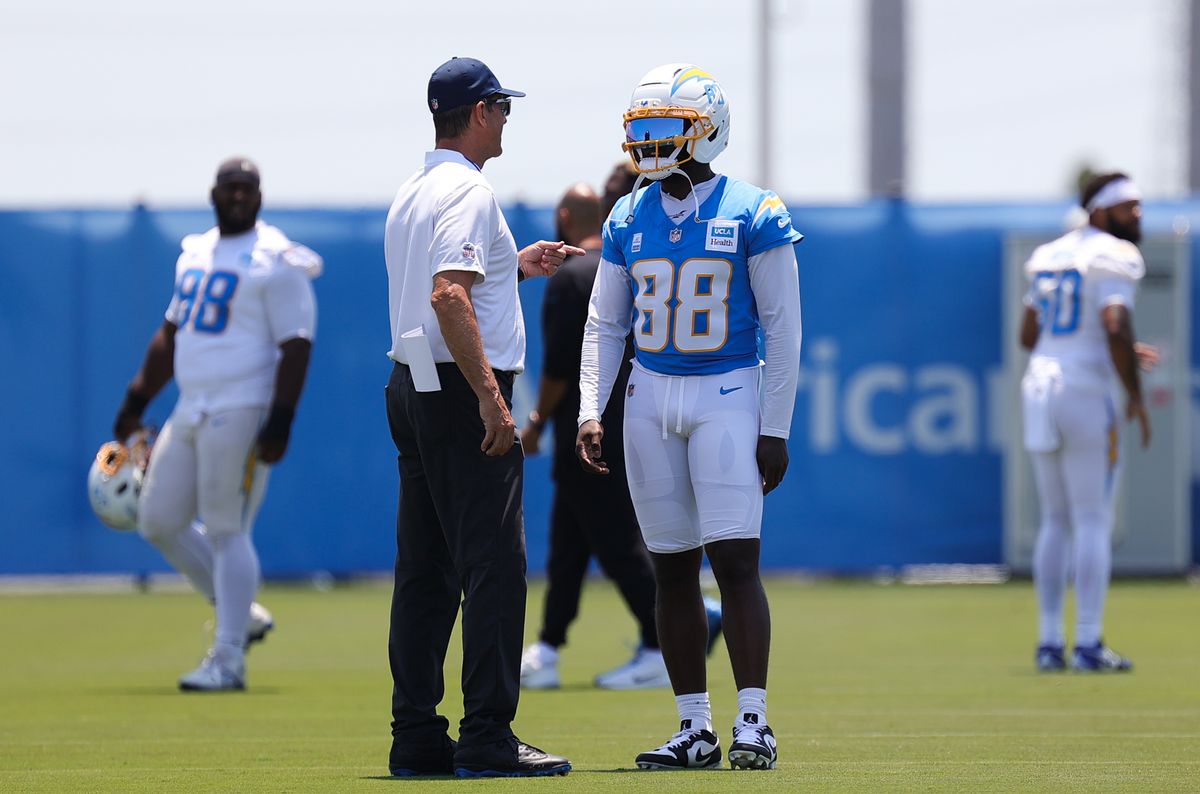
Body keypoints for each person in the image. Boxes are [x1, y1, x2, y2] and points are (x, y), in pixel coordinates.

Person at [577, 64, 803, 771]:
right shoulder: (625, 215)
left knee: (735, 560)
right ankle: (693, 727)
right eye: (639, 129)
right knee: (670, 569)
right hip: (650, 396)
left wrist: (777, 424)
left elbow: (783, 328)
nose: (646, 143)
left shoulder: (753, 210)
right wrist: (591, 408)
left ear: (706, 130)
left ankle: (755, 721)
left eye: (662, 128)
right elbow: (605, 326)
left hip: (728, 391)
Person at [382, 56, 579, 779]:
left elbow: (443, 286)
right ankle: (489, 736)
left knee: (425, 572)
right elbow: (448, 297)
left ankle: (415, 736)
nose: (506, 119)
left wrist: (513, 264)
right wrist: (494, 403)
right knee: (495, 564)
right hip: (462, 393)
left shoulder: (415, 187)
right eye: (501, 106)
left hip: (411, 386)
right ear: (478, 112)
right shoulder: (468, 190)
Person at [112, 156, 321, 691]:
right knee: (158, 517)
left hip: (243, 405)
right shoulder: (195, 252)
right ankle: (240, 612)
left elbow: (296, 344)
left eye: (248, 188)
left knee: (228, 526)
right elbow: (172, 332)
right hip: (192, 403)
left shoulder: (276, 257)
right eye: (230, 187)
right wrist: (137, 397)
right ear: (213, 193)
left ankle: (228, 656)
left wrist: (282, 420)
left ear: (260, 195)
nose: (238, 196)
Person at [519, 182, 722, 691]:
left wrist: (538, 420)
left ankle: (667, 639)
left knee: (615, 540)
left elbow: (562, 368)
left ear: (564, 217)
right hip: (632, 415)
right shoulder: (628, 263)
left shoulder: (569, 277)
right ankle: (547, 646)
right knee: (570, 538)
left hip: (586, 425)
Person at [1020, 171, 1150, 673]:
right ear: (1101, 210)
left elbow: (1031, 333)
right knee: (1092, 517)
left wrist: (1102, 346)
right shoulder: (1114, 255)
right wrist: (1135, 392)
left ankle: (1050, 642)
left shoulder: (1050, 253)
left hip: (1039, 385)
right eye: (1129, 207)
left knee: (1055, 518)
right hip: (1084, 391)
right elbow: (1114, 323)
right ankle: (1090, 642)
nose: (1137, 216)